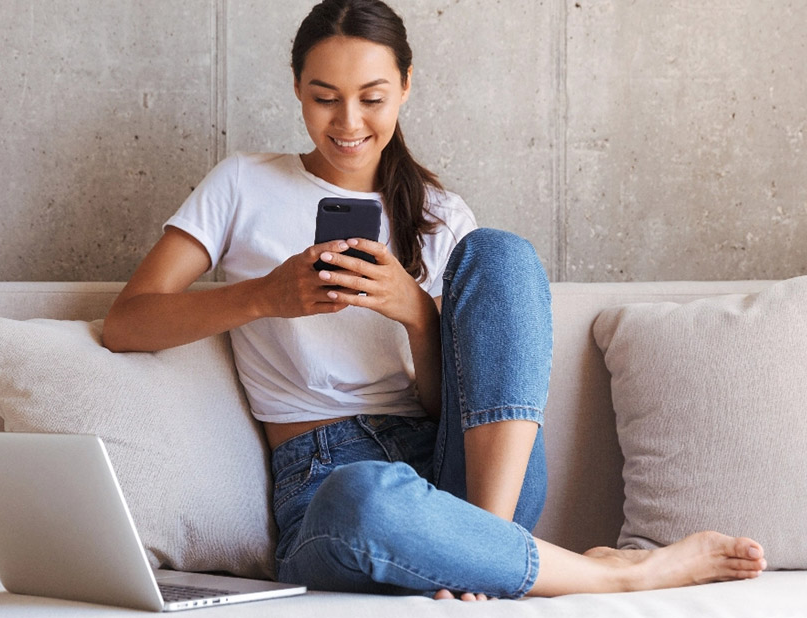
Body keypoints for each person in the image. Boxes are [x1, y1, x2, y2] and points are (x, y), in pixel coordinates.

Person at [104, 0, 766, 601]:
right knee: (365, 496)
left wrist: (416, 313)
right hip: (327, 487)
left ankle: (480, 548)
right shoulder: (243, 183)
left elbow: (459, 406)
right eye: (324, 97)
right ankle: (606, 570)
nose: (349, 121)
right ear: (297, 90)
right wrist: (265, 296)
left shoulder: (443, 215)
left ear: (407, 87)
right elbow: (126, 324)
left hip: (473, 484)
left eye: (372, 97)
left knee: (504, 255)